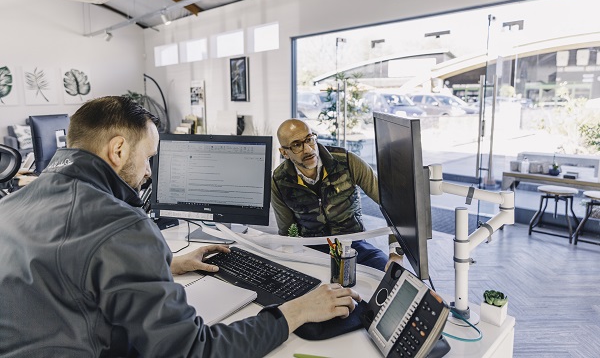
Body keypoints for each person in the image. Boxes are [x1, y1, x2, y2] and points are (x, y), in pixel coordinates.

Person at [0, 97, 360, 358]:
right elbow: (193, 350)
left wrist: (163, 264)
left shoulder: (10, 205)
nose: (148, 172)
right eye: (149, 157)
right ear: (119, 150)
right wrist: (297, 311)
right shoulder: (121, 225)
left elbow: (59, 265)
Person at [271, 119, 404, 272]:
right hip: (312, 250)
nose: (307, 149)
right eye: (296, 145)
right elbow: (288, 233)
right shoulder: (279, 181)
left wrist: (396, 254)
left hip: (354, 245)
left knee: (391, 277)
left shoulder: (347, 161)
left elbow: (392, 206)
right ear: (284, 152)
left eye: (309, 139)